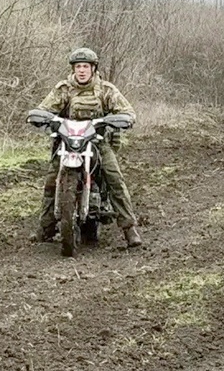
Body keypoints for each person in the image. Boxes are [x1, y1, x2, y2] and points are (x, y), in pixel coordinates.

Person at [30, 47, 143, 248]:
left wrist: (119, 119)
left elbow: (127, 111)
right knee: (51, 180)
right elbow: (43, 109)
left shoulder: (106, 90)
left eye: (85, 66)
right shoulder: (63, 89)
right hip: (67, 143)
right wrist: (42, 117)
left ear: (93, 68)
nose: (81, 70)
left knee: (114, 178)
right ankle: (46, 228)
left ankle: (129, 228)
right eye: (78, 66)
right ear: (73, 69)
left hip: (97, 143)